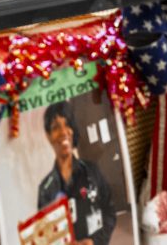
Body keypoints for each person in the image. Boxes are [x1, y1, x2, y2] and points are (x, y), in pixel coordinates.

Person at [37, 101, 116, 245]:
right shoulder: (45, 189)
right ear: (49, 136)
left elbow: (109, 212)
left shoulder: (92, 171)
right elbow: (46, 237)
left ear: (73, 130)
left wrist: (93, 242)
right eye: (55, 127)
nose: (63, 132)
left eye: (67, 124)